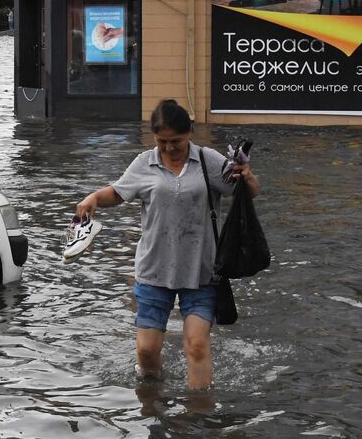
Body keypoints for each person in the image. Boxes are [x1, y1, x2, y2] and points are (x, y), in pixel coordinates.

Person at [76, 99, 260, 390]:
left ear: (189, 134)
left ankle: (198, 414)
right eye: (162, 141)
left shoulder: (208, 160)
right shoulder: (144, 162)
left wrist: (247, 177)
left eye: (176, 141)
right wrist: (94, 198)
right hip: (154, 269)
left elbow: (248, 192)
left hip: (201, 270)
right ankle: (153, 401)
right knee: (146, 351)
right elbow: (119, 192)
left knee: (196, 345)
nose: (169, 148)